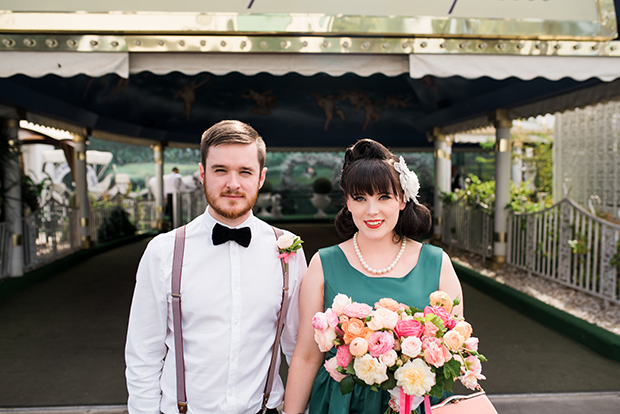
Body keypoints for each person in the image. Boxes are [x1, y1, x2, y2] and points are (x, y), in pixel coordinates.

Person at [125, 120, 307, 414]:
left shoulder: (288, 250)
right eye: (220, 170)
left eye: (245, 172)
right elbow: (143, 355)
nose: (232, 183)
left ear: (260, 178)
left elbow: (300, 348)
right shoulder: (163, 251)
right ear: (202, 174)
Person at [283, 139, 463, 414]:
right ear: (347, 202)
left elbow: (454, 350)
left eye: (384, 197)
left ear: (403, 199)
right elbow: (307, 355)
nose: (371, 211)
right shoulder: (323, 262)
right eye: (360, 198)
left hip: (414, 404)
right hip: (340, 403)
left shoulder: (437, 263)